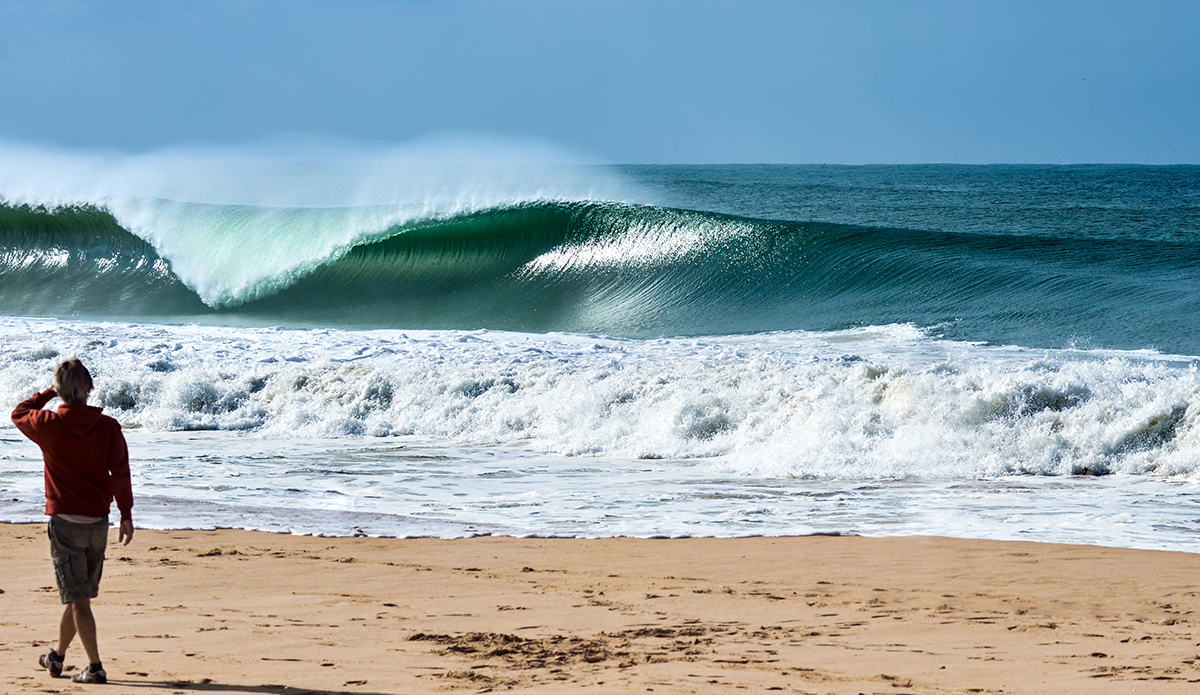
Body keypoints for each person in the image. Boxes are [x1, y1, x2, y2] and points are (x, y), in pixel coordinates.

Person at [11, 359, 134, 685]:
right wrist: (126, 514)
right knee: (79, 596)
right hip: (97, 524)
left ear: (61, 391)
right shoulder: (108, 427)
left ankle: (94, 667)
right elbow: (120, 473)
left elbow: (18, 413)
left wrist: (49, 392)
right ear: (89, 388)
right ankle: (57, 656)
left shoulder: (48, 423)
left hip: (65, 522)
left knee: (78, 598)